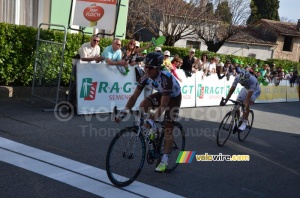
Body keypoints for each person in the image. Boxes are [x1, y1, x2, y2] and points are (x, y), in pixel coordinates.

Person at [115, 52, 182, 172]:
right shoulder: (145, 76)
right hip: (162, 93)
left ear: (157, 68)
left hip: (173, 98)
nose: (147, 70)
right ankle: (154, 131)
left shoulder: (166, 77)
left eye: (150, 68)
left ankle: (165, 160)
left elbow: (164, 105)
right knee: (143, 105)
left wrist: (152, 119)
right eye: (145, 66)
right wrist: (124, 112)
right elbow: (134, 97)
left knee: (168, 128)